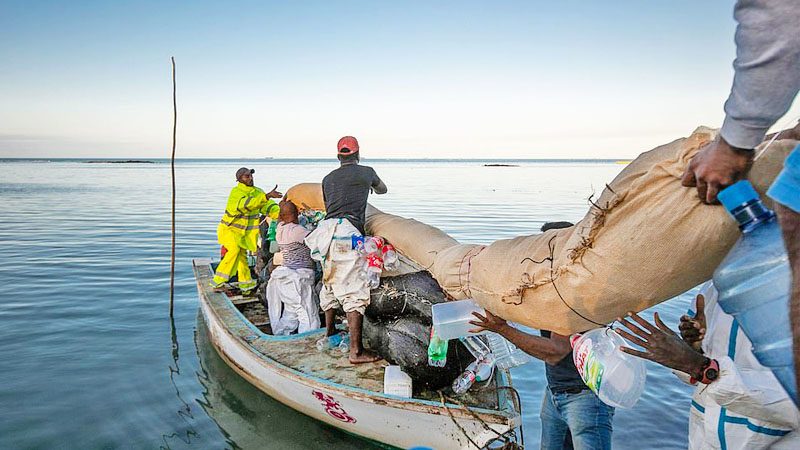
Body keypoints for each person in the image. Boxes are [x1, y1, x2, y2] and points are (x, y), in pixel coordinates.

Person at [675, 1, 800, 395]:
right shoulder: (725, 275)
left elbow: (778, 12)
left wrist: (735, 142)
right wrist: (698, 347)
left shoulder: (760, 268)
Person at [616, 282, 800, 449]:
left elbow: (792, 402)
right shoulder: (714, 288)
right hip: (703, 439)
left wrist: (702, 367)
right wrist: (692, 349)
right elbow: (699, 376)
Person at [469, 310, 614, 450]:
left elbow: (556, 352)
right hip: (555, 392)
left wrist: (502, 328)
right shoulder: (552, 296)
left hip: (586, 399)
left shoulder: (574, 300)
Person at [304, 136, 387, 364]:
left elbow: (331, 204)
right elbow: (383, 190)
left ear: (339, 156)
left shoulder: (327, 178)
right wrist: (368, 185)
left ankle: (330, 332)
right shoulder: (366, 171)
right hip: (347, 234)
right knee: (354, 291)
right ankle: (356, 352)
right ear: (358, 154)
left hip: (326, 232)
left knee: (330, 283)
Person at [211, 167, 281, 295]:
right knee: (234, 251)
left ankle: (246, 286)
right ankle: (218, 282)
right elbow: (245, 205)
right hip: (229, 230)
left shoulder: (258, 192)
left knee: (242, 258)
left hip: (244, 234)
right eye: (246, 176)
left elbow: (267, 207)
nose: (250, 178)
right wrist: (266, 196)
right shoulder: (236, 193)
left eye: (251, 175)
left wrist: (282, 211)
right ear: (239, 180)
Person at [266, 200, 320, 335]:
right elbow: (317, 241)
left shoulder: (280, 228)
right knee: (307, 315)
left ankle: (280, 335)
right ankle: (308, 340)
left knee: (291, 313)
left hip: (284, 280)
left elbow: (289, 220)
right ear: (296, 214)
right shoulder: (298, 231)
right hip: (299, 279)